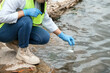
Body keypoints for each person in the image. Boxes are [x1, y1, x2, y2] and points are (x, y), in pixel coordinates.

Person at [0, 0, 75, 64]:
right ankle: (22, 52)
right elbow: (2, 17)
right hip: (3, 31)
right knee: (26, 20)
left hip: (17, 28)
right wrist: (24, 12)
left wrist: (62, 35)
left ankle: (14, 42)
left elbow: (47, 21)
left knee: (44, 37)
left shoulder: (40, 2)